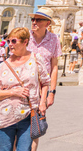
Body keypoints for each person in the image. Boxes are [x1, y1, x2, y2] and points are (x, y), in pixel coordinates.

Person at [0, 27, 50, 151]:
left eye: (14, 41)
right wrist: (13, 92)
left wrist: (43, 103)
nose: (10, 44)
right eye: (8, 41)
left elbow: (46, 82)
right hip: (4, 118)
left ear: (25, 42)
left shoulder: (36, 59)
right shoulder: (4, 65)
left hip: (28, 116)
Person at [27, 8, 61, 150]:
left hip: (43, 88)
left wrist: (52, 92)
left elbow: (54, 67)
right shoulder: (25, 37)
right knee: (18, 125)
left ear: (47, 23)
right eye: (33, 19)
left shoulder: (53, 39)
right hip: (23, 86)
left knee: (35, 126)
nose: (34, 22)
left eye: (38, 20)